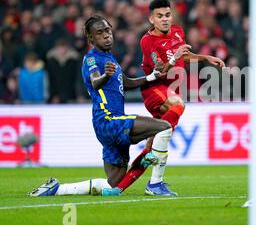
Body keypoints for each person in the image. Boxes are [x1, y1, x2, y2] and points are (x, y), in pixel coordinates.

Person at [28, 15, 172, 197]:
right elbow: (96, 81)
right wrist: (105, 75)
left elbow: (125, 82)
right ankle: (156, 184)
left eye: (108, 31)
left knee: (112, 184)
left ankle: (57, 189)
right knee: (164, 128)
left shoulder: (109, 58)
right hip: (109, 120)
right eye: (100, 33)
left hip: (109, 125)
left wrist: (152, 76)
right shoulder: (92, 59)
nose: (106, 35)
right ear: (91, 38)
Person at [113, 0, 225, 197]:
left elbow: (183, 56)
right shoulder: (147, 41)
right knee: (178, 106)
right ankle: (154, 164)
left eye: (167, 15)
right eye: (159, 16)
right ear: (151, 19)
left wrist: (205, 58)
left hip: (172, 89)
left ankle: (121, 187)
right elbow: (160, 71)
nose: (165, 19)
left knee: (156, 139)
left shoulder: (178, 32)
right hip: (155, 89)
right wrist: (175, 56)